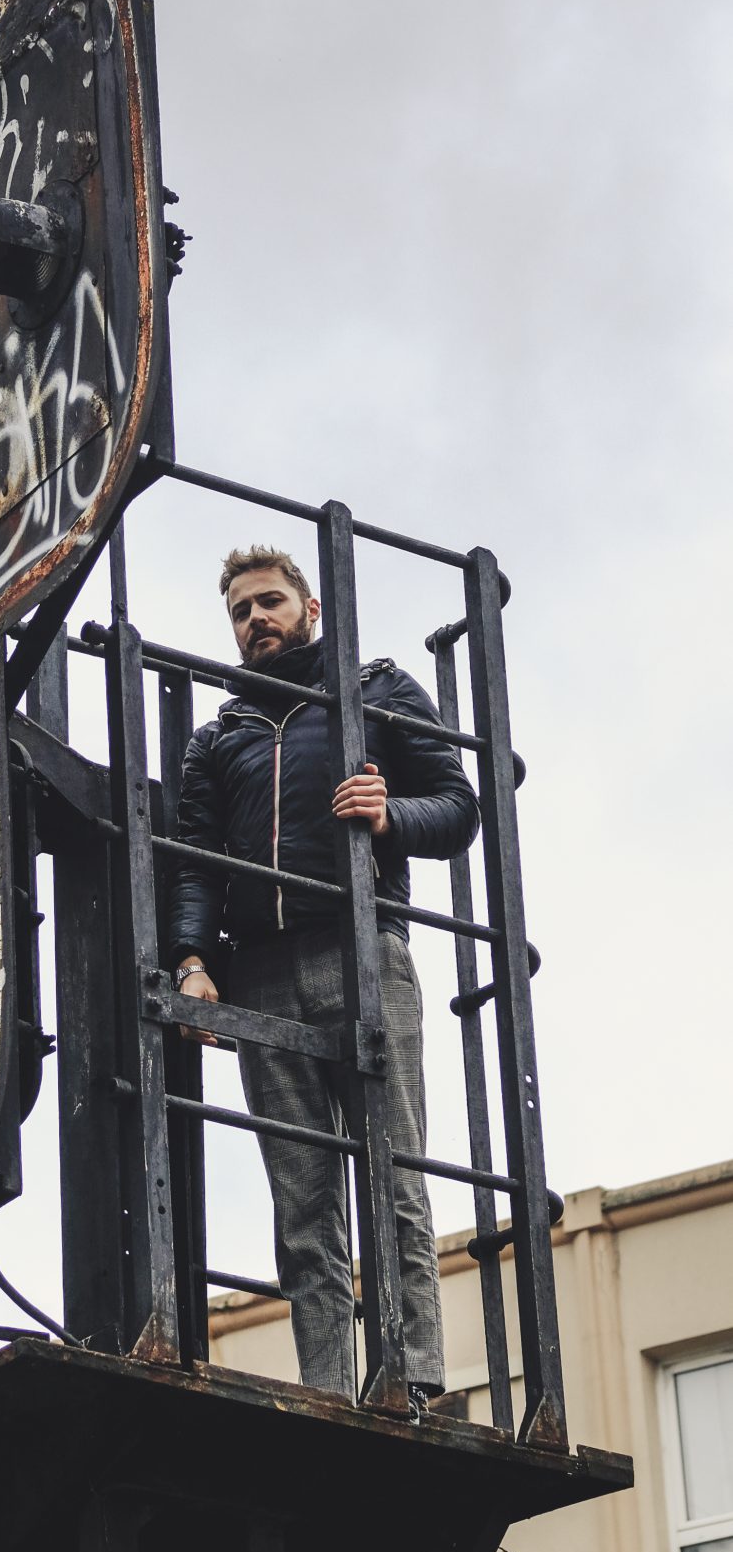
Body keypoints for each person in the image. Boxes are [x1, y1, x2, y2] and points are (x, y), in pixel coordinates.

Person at [167, 545, 480, 1415]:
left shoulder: (375, 691)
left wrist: (390, 814)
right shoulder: (220, 736)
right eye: (240, 611)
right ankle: (334, 1392)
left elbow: (459, 806)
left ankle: (413, 1379)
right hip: (260, 973)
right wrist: (193, 964)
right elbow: (194, 866)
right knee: (302, 1201)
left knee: (395, 1173)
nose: (255, 620)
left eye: (269, 602)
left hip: (363, 949)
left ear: (311, 608)